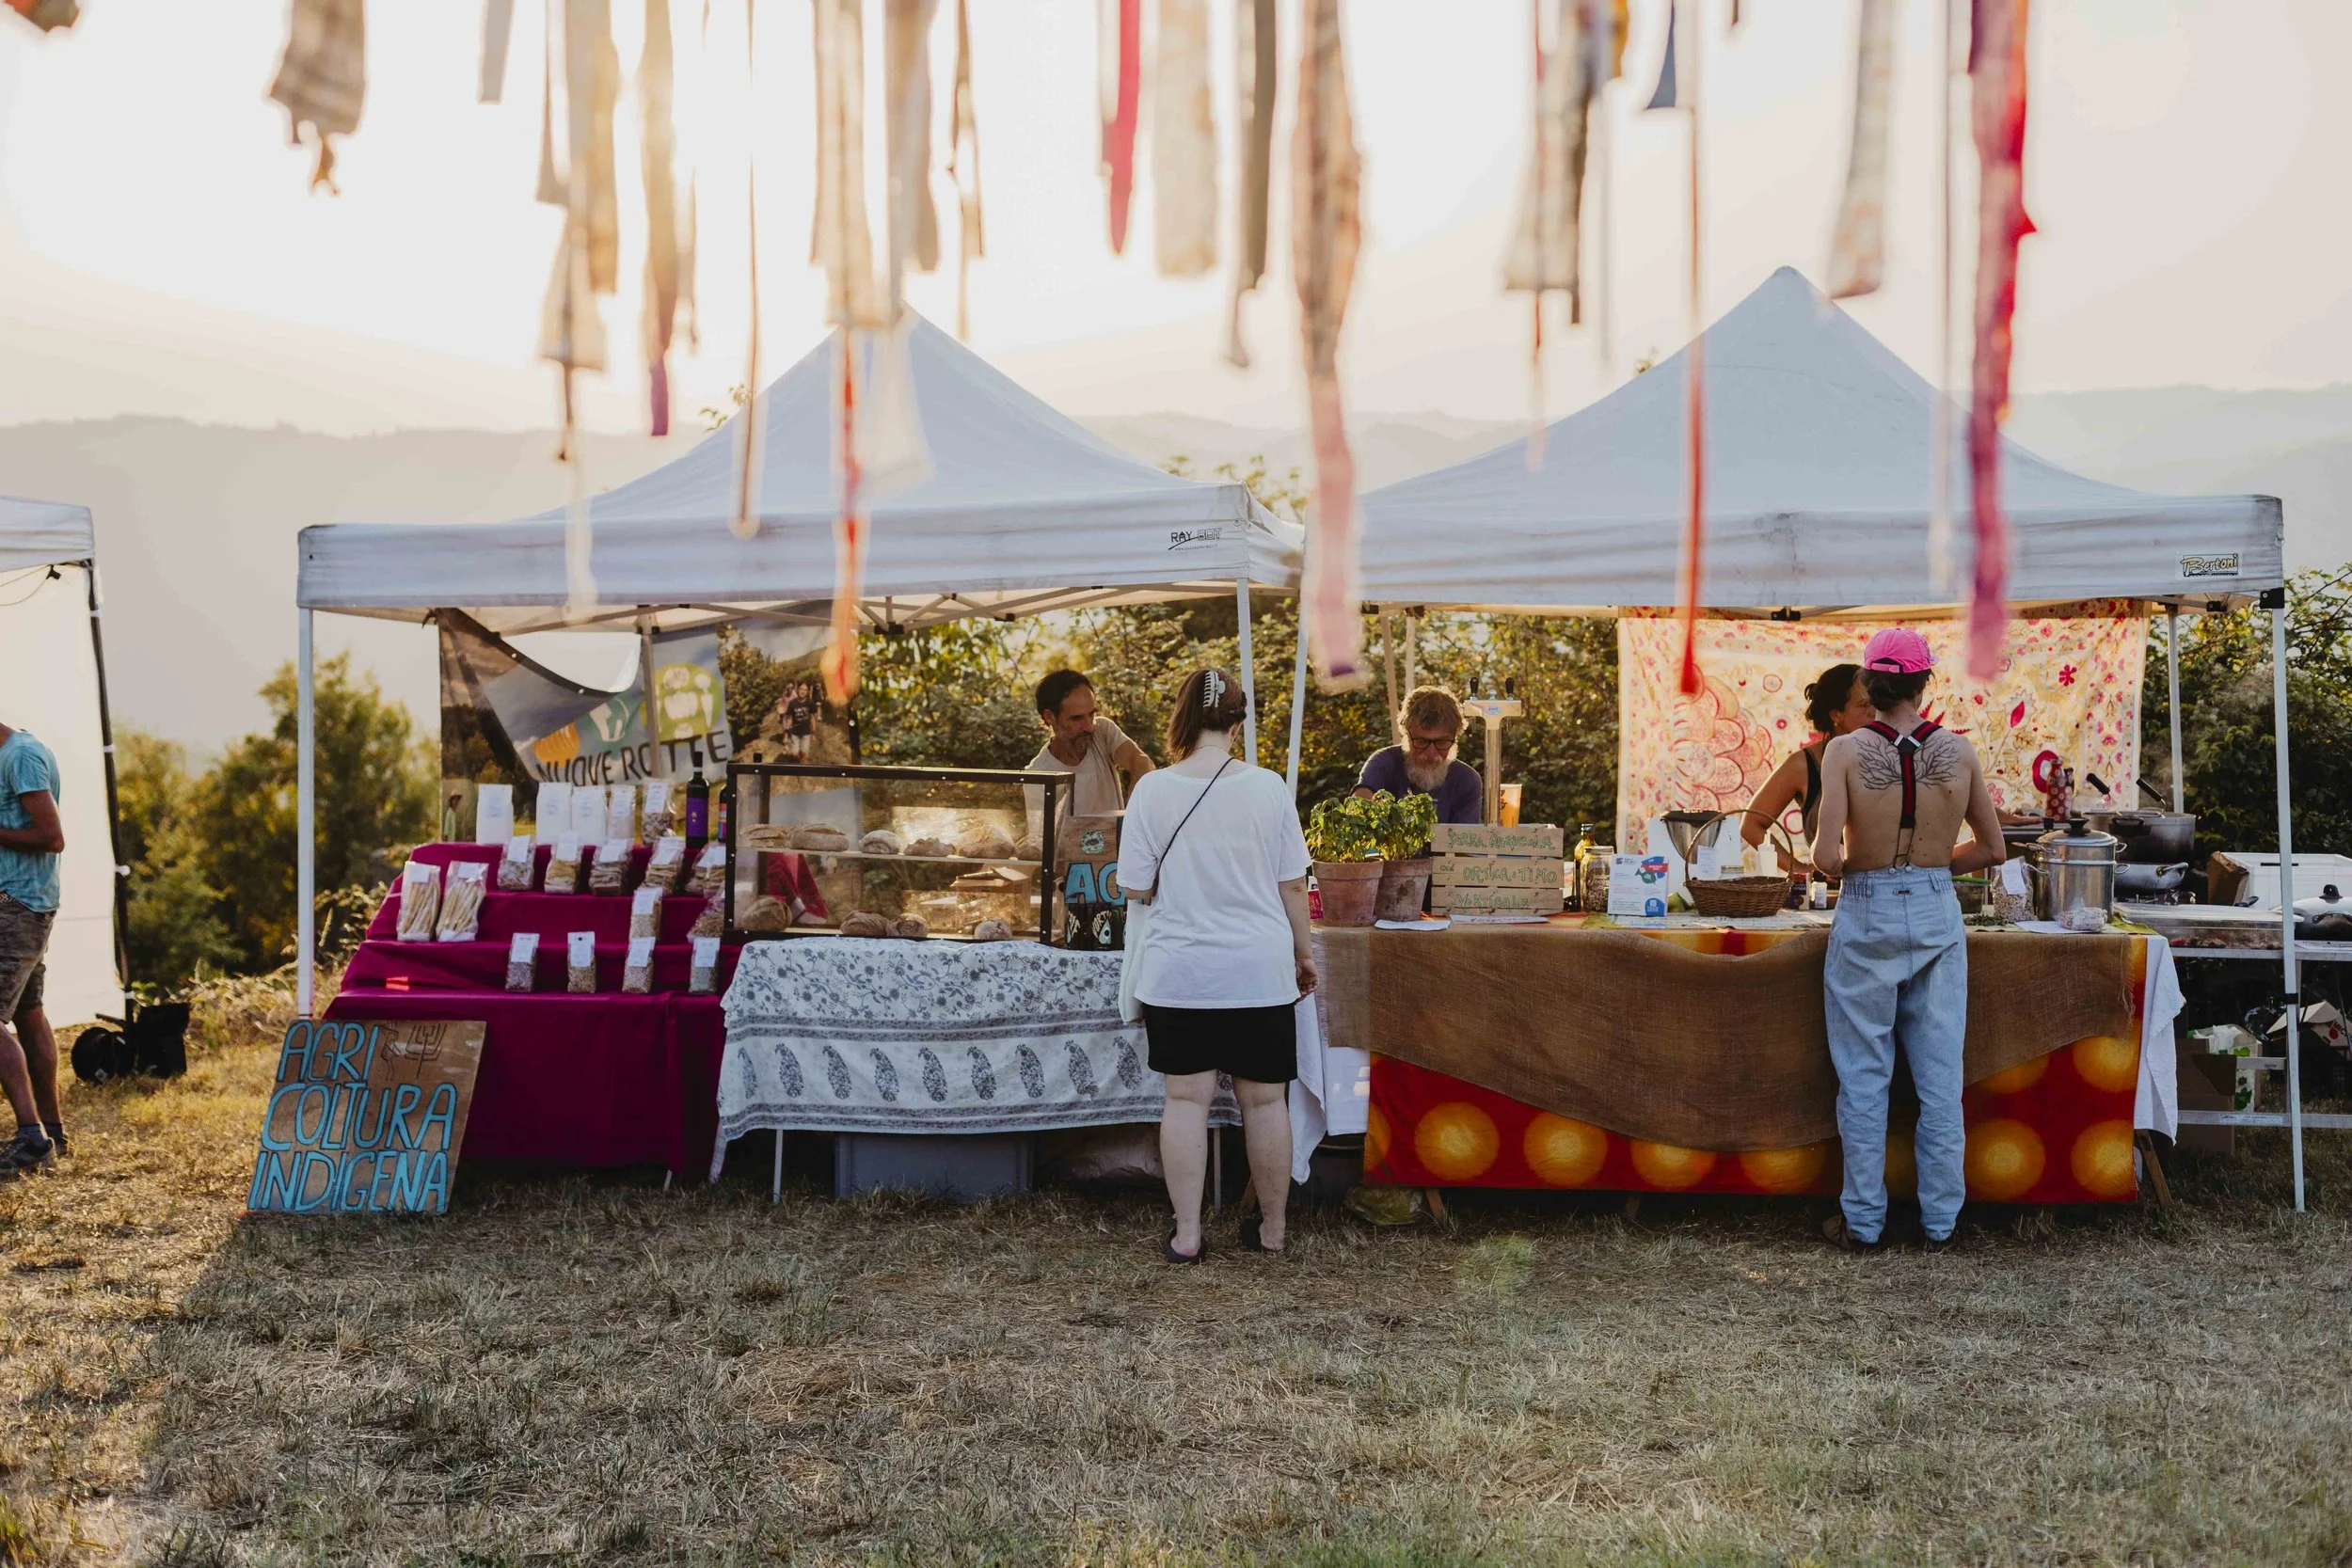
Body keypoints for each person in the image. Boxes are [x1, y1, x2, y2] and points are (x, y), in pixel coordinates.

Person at [1812, 627, 2006, 1253]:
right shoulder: (1960, 752)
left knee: (1863, 1080)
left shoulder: (1841, 751)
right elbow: (1994, 848)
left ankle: (1864, 1221)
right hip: (1934, 910)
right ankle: (1941, 1222)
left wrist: (1853, 862)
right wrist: (1930, 867)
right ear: (1925, 682)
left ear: (1871, 683)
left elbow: (1825, 859)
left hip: (1866, 909)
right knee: (1939, 1078)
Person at [1121, 668, 1316, 1263]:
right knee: (1265, 1103)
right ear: (1240, 721)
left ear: (1182, 718)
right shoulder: (1268, 788)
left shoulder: (1153, 790)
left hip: (1182, 971)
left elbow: (1134, 889)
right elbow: (1291, 888)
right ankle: (1273, 1230)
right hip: (1258, 968)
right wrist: (1303, 955)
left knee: (1185, 1102)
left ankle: (1186, 1235)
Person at [0, 718, 66, 1178]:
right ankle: (53, 1132)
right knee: (28, 1013)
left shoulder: (20, 756)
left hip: (15, 908)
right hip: (23, 905)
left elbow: (51, 837)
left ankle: (30, 1139)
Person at [1742, 663, 1874, 850]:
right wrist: (1798, 868)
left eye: (1876, 703)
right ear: (1836, 715)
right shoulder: (1804, 765)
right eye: (1863, 705)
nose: (1874, 712)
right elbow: (1751, 825)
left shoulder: (1892, 753)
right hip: (1832, 879)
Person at [1025, 670, 1154, 832]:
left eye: (1091, 714)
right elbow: (1042, 842)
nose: (1089, 726)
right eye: (1077, 718)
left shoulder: (1103, 731)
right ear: (1049, 717)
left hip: (1119, 852)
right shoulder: (1038, 776)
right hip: (1071, 855)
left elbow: (1141, 762)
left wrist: (1133, 811)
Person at [1353, 685, 1484, 825]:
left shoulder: (1466, 781)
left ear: (1455, 738)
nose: (1431, 754)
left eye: (1442, 742)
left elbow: (1464, 843)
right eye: (1421, 741)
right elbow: (1359, 804)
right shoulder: (1384, 764)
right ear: (1406, 735)